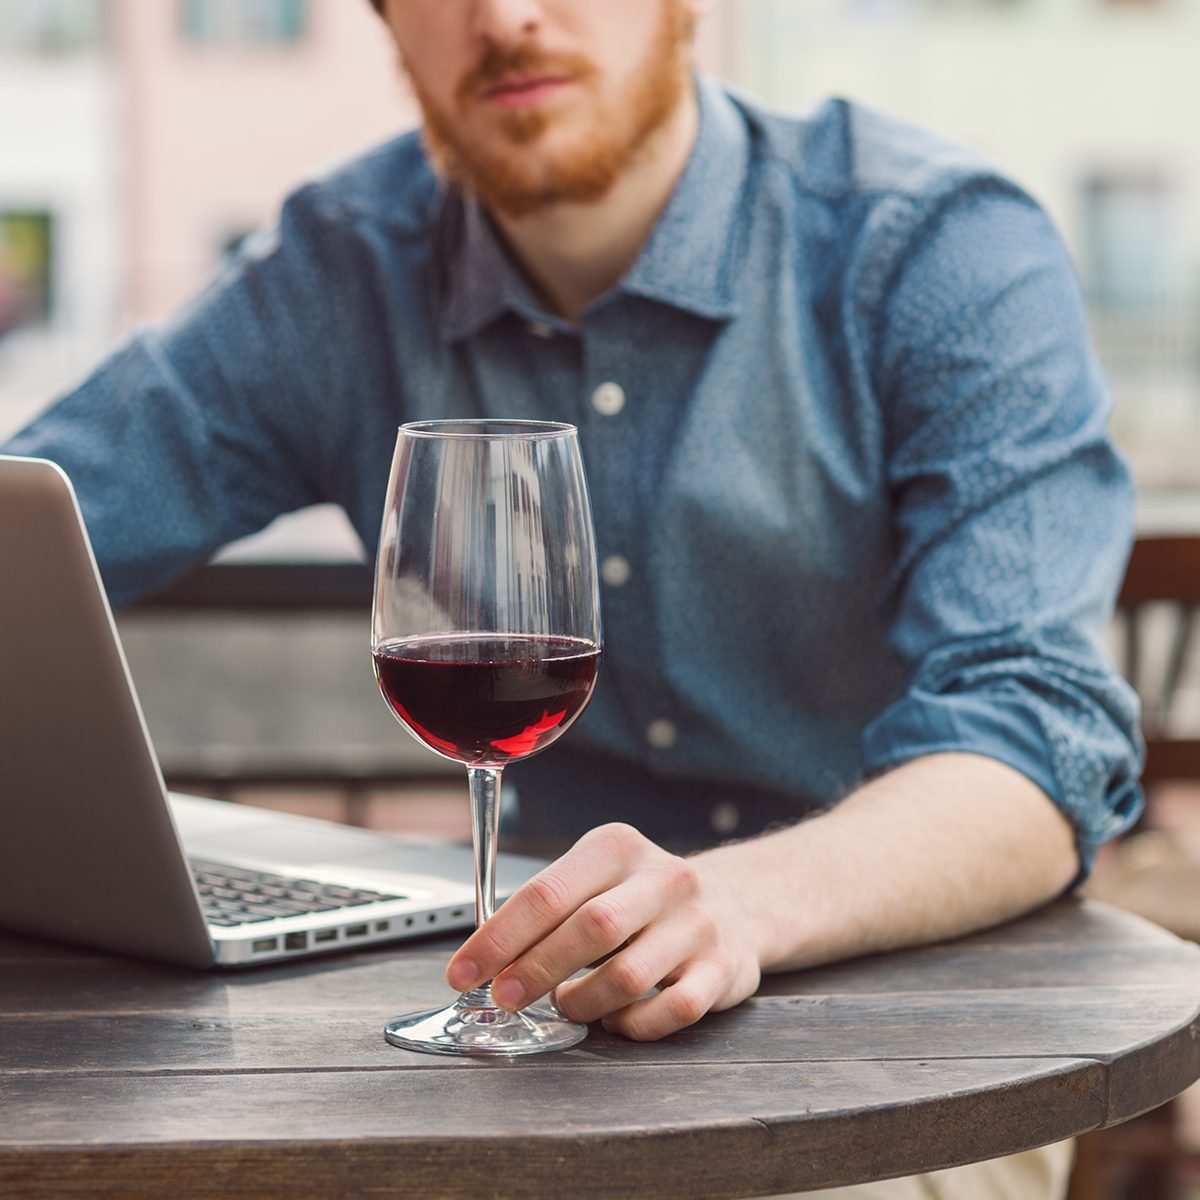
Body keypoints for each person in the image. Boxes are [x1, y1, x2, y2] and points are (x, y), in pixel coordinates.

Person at [2, 2, 1139, 1194]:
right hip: (544, 1033)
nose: (507, 17)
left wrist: (738, 904)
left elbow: (1034, 737)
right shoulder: (342, 272)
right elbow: (40, 523)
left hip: (922, 1039)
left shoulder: (937, 250)